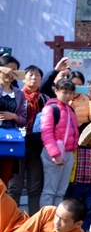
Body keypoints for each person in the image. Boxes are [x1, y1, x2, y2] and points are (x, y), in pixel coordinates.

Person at [7, 65, 46, 214]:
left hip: (37, 147)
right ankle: (11, 221)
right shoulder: (16, 95)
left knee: (35, 188)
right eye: (30, 75)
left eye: (37, 75)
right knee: (14, 187)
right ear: (23, 78)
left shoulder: (45, 98)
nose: (34, 78)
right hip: (17, 145)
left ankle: (34, 223)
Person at [39, 78, 78, 208]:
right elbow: (46, 133)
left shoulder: (70, 109)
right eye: (64, 92)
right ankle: (45, 222)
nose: (68, 96)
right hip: (54, 154)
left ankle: (56, 221)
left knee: (60, 192)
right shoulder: (51, 108)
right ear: (56, 91)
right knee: (49, 191)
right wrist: (55, 154)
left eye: (71, 93)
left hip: (68, 153)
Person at [0, 65, 27, 185]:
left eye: (13, 70)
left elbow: (23, 119)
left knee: (5, 178)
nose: (10, 73)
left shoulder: (19, 93)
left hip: (9, 138)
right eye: (7, 70)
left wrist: (14, 116)